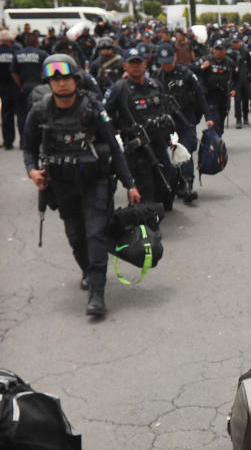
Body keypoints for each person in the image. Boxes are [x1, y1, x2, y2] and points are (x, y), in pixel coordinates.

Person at [22, 54, 141, 317]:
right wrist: (32, 171)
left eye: (65, 78)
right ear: (48, 82)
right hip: (62, 186)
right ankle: (88, 271)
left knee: (95, 233)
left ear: (76, 79)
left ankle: (97, 292)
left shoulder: (93, 108)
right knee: (76, 236)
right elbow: (28, 148)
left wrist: (129, 184)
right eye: (55, 79)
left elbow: (114, 148)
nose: (61, 84)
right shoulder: (40, 110)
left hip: (94, 181)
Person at [103, 48, 178, 208]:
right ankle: (148, 222)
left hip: (158, 144)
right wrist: (113, 136)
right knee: (146, 187)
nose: (136, 67)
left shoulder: (156, 85)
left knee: (165, 180)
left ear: (145, 64)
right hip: (136, 148)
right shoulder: (118, 88)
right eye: (132, 63)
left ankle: (155, 209)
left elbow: (166, 111)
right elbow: (103, 115)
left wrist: (172, 138)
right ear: (125, 66)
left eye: (138, 63)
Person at [156, 43, 214, 204]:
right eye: (163, 62)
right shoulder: (156, 77)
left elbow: (201, 96)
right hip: (165, 123)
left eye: (169, 61)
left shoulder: (186, 74)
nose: (166, 65)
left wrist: (208, 117)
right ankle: (175, 184)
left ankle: (188, 185)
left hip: (185, 120)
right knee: (169, 155)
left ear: (175, 56)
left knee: (186, 152)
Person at [192, 40, 236, 135]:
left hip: (224, 95)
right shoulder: (206, 60)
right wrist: (202, 67)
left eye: (221, 49)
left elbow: (237, 77)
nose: (219, 52)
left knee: (221, 118)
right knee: (214, 119)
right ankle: (215, 143)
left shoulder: (230, 62)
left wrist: (234, 89)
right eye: (217, 49)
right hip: (210, 95)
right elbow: (192, 70)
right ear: (213, 50)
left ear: (225, 51)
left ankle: (218, 138)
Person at [227, 34, 251, 127]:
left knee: (245, 99)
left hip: (245, 78)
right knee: (237, 99)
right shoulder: (229, 52)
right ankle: (238, 119)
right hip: (235, 80)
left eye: (237, 42)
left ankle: (245, 116)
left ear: (240, 42)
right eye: (234, 42)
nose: (235, 44)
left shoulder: (245, 51)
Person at [0, 30, 19, 149]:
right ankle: (24, 142)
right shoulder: (15, 53)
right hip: (14, 86)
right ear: (9, 41)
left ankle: (8, 142)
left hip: (2, 86)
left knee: (6, 114)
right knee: (21, 113)